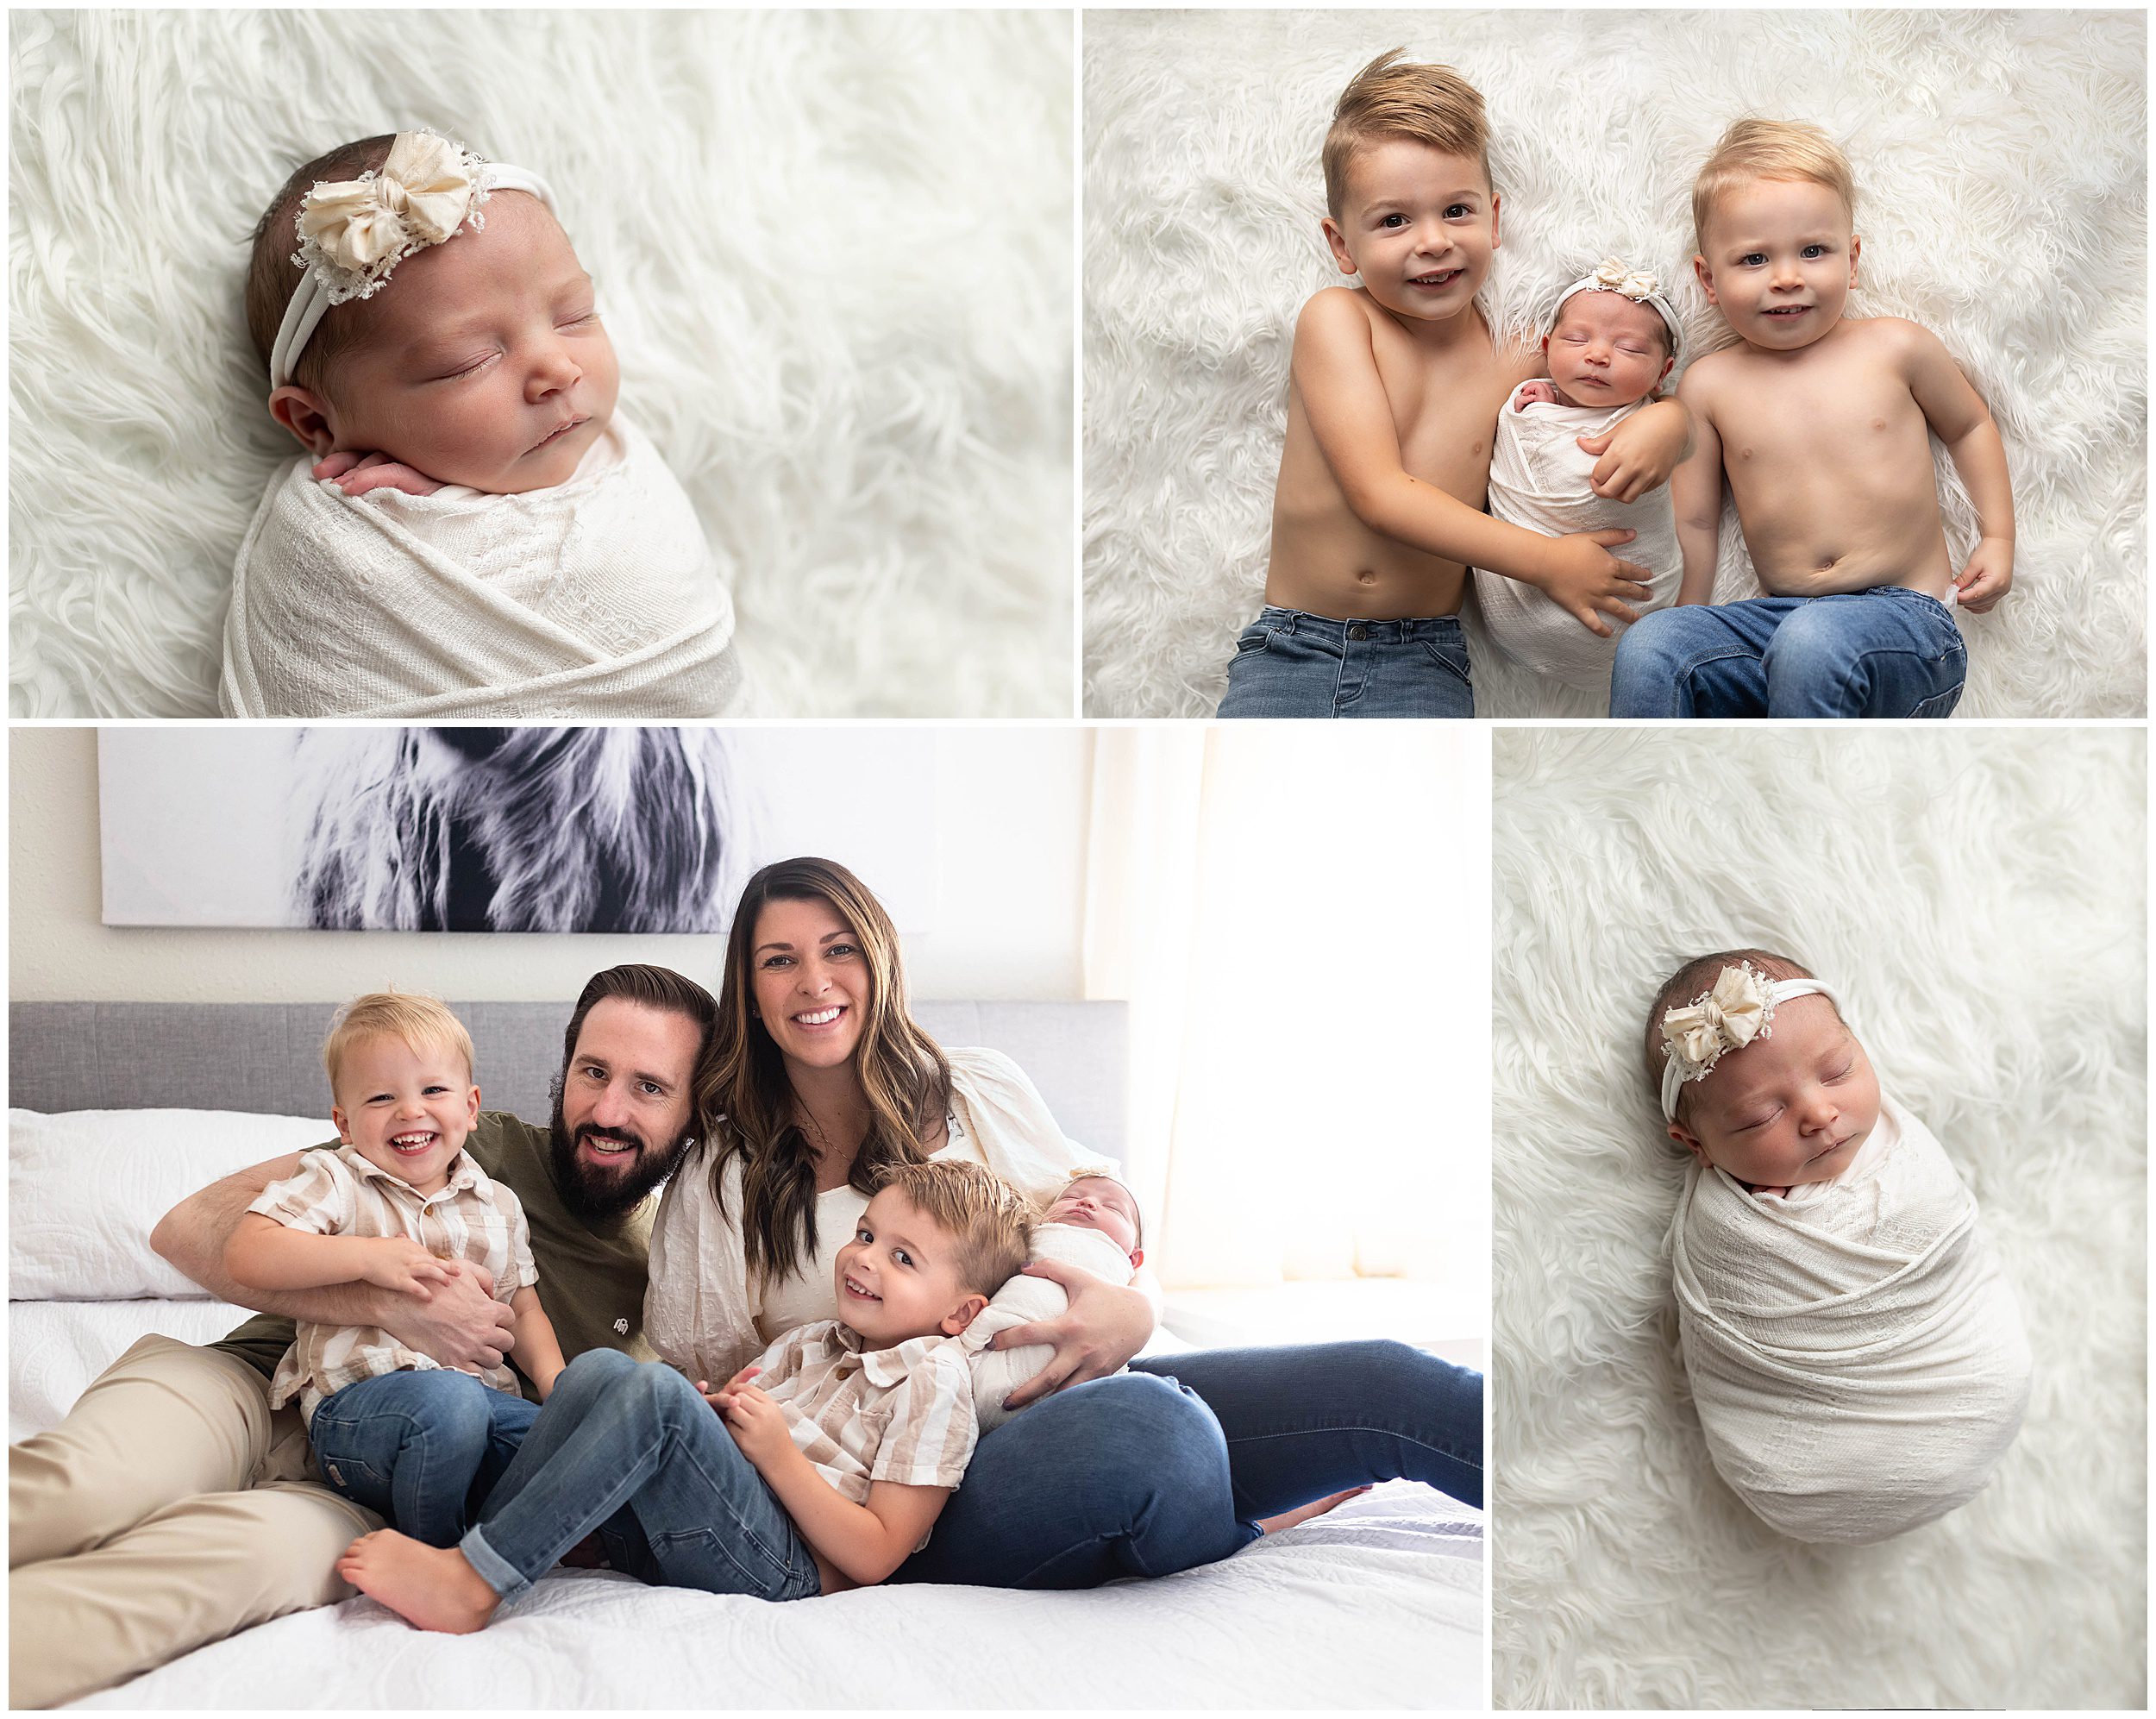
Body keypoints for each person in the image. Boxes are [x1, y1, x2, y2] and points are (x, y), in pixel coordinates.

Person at [643, 856, 1485, 1589]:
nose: (814, 983)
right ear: (748, 992)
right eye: (779, 960)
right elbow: (720, 1391)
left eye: (839, 950)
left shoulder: (975, 1088)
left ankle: (1592, 1484)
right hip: (911, 1491)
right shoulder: (723, 1177)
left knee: (1385, 1379)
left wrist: (1139, 1308)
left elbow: (1100, 1215)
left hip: (1070, 1392)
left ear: (880, 959)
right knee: (1159, 1431)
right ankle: (1246, 1527)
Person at [7, 964, 714, 1709]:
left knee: (198, 1579)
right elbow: (188, 1231)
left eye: (650, 1087)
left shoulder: (682, 1279)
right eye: (592, 1071)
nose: (607, 1108)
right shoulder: (466, 1140)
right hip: (250, 1384)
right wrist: (385, 1301)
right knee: (87, 1486)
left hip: (371, 1491)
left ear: (697, 1110)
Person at [336, 1158, 1035, 1628]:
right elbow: (737, 1436)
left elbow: (879, 1552)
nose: (864, 1258)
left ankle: (472, 1582)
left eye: (902, 1257)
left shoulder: (936, 1380)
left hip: (788, 1567)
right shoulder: (813, 1340)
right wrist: (720, 1417)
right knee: (601, 1371)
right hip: (718, 1524)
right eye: (865, 1234)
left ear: (962, 1313)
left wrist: (773, 1454)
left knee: (657, 1395)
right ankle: (503, 1538)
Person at [1216, 48, 1688, 718]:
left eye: (1456, 211)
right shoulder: (1339, 322)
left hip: (1426, 655)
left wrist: (1670, 424)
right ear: (1342, 244)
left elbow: (1629, 382)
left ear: (1495, 220)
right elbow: (1380, 495)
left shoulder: (1522, 352)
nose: (1432, 241)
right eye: (1393, 220)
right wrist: (1548, 561)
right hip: (1296, 646)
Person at [221, 129, 744, 717]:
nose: (557, 367)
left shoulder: (617, 447)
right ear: (315, 423)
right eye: (469, 361)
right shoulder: (340, 541)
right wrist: (430, 522)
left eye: (575, 316)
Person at [1610, 119, 2014, 717]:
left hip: (1905, 624)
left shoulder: (1895, 347)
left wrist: (1999, 538)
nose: (1786, 277)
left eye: (1813, 251)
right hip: (1777, 624)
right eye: (1753, 258)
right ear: (1708, 279)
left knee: (1813, 640)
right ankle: (1648, 799)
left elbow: (1971, 426)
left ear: (1852, 261)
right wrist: (1689, 615)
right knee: (1652, 646)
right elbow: (1694, 521)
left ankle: (1802, 802)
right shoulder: (1710, 384)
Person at [1648, 950, 2030, 1542]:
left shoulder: (1904, 1153)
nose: (1819, 1114)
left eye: (1836, 1071)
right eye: (1760, 1116)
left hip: (1972, 1386)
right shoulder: (1726, 1231)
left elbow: (1937, 1216)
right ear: (1694, 1143)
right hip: (1801, 1478)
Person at [223, 992, 564, 1548]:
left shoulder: (498, 1204)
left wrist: (558, 1390)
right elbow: (248, 1251)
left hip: (482, 1403)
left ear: (472, 1106)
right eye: (382, 1097)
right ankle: (433, 1551)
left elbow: (521, 1307)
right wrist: (368, 1257)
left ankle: (556, 1535)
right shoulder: (336, 1180)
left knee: (575, 1449)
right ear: (345, 1123)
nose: (411, 1111)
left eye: (433, 1090)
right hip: (359, 1412)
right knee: (448, 1404)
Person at [1474, 260, 1685, 692]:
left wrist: (1670, 419)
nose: (1598, 355)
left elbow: (1681, 442)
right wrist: (1550, 396)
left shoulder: (1650, 420)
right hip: (1524, 587)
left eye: (1629, 349)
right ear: (1548, 347)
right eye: (1576, 339)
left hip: (1635, 602)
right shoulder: (1528, 407)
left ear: (1662, 373)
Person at [969, 1171, 1147, 1432]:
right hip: (977, 1377)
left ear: (1133, 1259)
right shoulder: (1034, 1235)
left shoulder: (1123, 1267)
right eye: (1071, 1197)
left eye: (1112, 1207)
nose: (1086, 1202)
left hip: (1085, 1393)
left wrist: (1143, 1311)